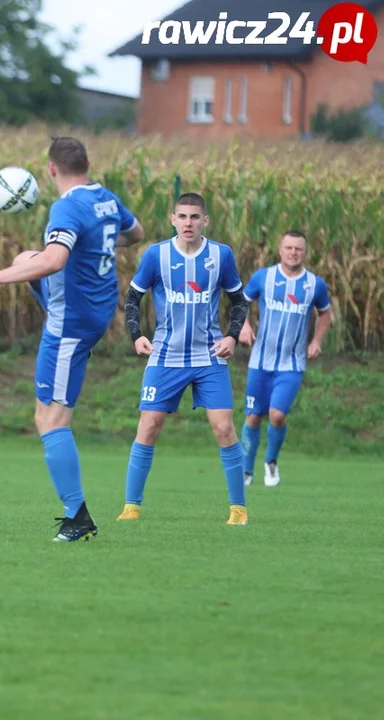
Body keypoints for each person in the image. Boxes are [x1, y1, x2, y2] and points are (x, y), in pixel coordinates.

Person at [0, 136, 144, 542]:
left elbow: (56, 260)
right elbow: (136, 232)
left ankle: (77, 517)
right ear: (86, 165)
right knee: (27, 259)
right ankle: (76, 513)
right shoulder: (105, 199)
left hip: (71, 324)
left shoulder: (67, 206)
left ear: (51, 170)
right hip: (99, 306)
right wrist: (98, 242)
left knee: (50, 418)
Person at [118, 192, 250, 526]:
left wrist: (232, 336)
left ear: (205, 221)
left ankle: (238, 509)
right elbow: (132, 299)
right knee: (149, 426)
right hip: (165, 355)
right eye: (182, 216)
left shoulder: (221, 255)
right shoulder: (156, 255)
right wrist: (137, 335)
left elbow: (240, 301)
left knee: (223, 428)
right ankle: (131, 507)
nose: (188, 223)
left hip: (208, 356)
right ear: (172, 219)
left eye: (195, 217)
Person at [238, 230, 332, 487]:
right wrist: (243, 326)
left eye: (298, 249)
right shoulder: (264, 278)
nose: (293, 253)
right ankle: (246, 470)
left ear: (305, 252)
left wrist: (316, 341)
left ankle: (271, 462)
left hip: (291, 365)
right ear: (280, 250)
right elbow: (240, 303)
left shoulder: (315, 284)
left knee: (277, 415)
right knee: (253, 417)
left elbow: (325, 314)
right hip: (259, 362)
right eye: (289, 248)